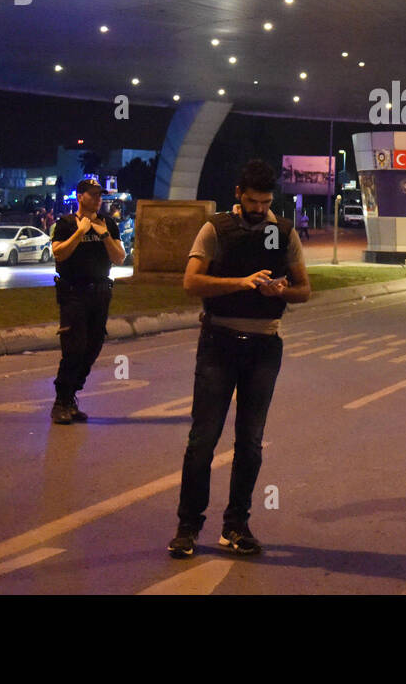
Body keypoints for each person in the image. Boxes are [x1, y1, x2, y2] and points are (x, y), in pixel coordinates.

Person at [168, 159, 312, 558]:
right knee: (203, 440)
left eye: (265, 202)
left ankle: (236, 525)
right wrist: (241, 283)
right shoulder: (215, 229)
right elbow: (191, 282)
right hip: (220, 341)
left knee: (249, 442)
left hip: (265, 346)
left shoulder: (283, 231)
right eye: (252, 201)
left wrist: (280, 291)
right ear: (238, 194)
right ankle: (187, 527)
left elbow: (304, 289)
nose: (259, 209)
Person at [48, 177, 124, 424]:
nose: (98, 199)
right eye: (93, 195)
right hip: (74, 293)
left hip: (100, 292)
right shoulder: (66, 224)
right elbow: (59, 253)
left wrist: (104, 236)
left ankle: (71, 395)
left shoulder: (108, 224)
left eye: (100, 195)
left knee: (93, 347)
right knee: (74, 347)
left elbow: (120, 257)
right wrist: (80, 233)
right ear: (80, 196)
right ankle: (61, 401)